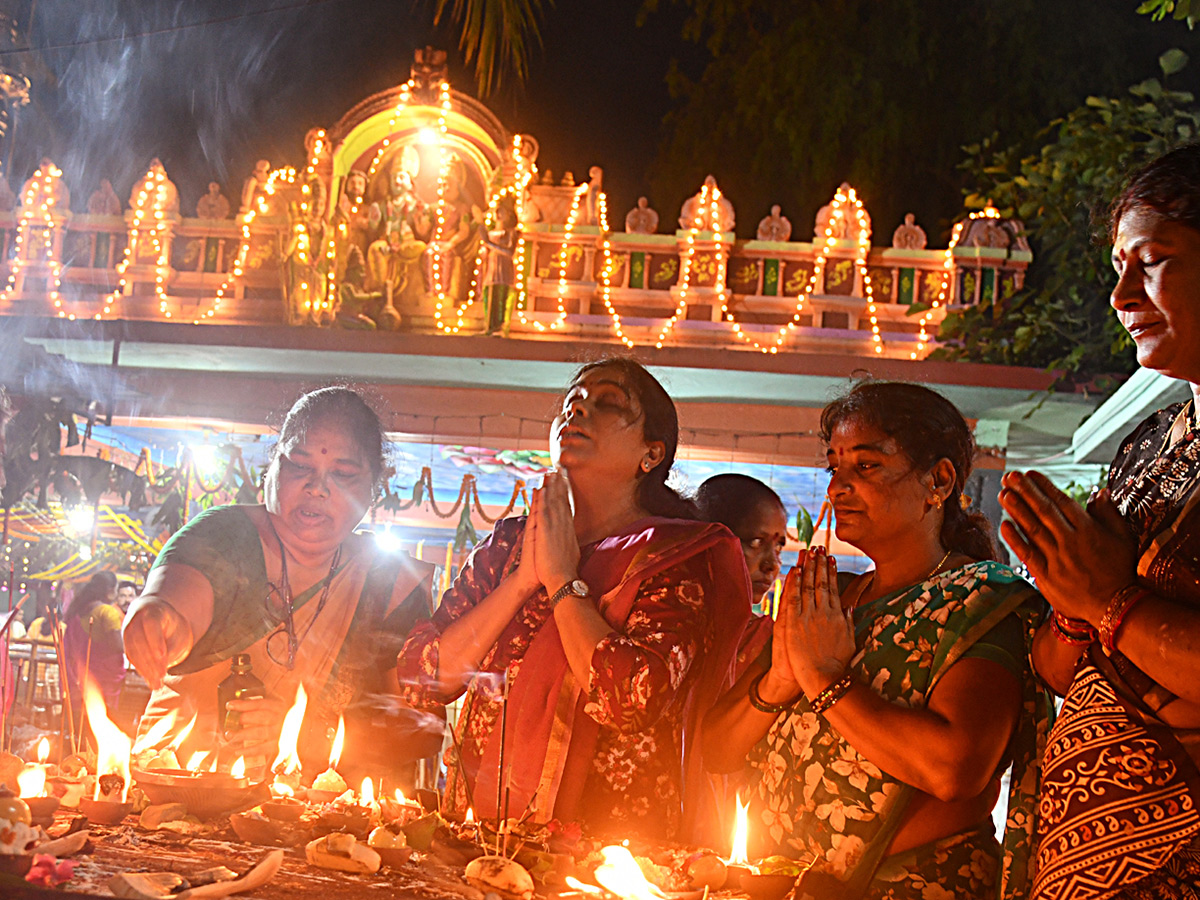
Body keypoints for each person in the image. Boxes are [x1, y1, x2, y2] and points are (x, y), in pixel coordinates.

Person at [705, 382, 1049, 900]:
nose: (838, 488)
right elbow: (717, 749)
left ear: (939, 480)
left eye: (865, 467)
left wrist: (824, 680)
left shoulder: (981, 600)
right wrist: (779, 680)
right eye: (834, 467)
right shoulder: (829, 600)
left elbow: (955, 769)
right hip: (783, 885)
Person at [396, 358, 752, 842]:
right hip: (479, 827)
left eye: (608, 403)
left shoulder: (673, 558)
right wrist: (522, 582)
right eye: (571, 402)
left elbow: (629, 701)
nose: (578, 409)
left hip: (605, 849)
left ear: (652, 454)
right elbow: (421, 675)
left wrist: (563, 581)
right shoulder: (511, 544)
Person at [999, 144, 1200, 900]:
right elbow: (1057, 668)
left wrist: (1112, 604)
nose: (1120, 295)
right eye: (1117, 266)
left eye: (1150, 261)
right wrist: (1076, 599)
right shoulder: (1154, 444)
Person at [123, 387, 441, 785]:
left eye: (342, 475)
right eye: (298, 465)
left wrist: (301, 730)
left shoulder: (390, 584)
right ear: (272, 468)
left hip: (320, 827)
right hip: (180, 800)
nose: (317, 488)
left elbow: (420, 729)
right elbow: (176, 600)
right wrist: (158, 620)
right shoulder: (226, 535)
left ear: (373, 489)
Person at [697, 474, 787, 608]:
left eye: (778, 547)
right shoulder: (664, 617)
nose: (773, 565)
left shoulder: (768, 628)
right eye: (756, 542)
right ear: (710, 542)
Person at [63, 571, 124, 711]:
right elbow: (117, 646)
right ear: (109, 591)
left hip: (80, 675)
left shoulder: (77, 610)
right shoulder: (107, 612)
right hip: (105, 678)